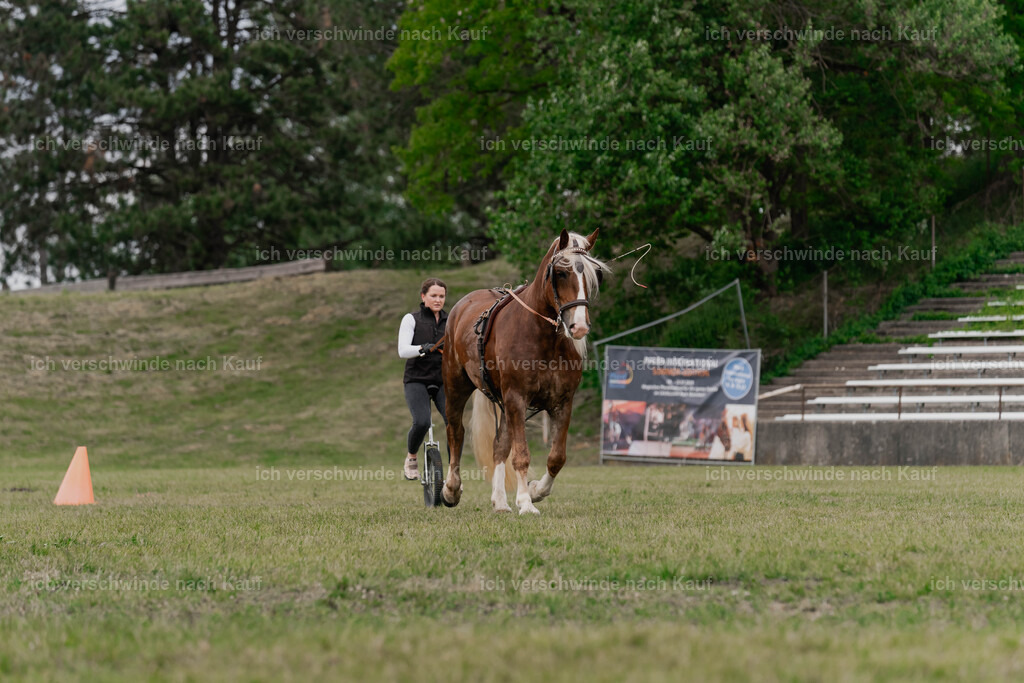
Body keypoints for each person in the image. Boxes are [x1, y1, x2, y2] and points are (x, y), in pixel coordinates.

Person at [397, 278, 448, 480]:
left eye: (441, 296)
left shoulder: (451, 320)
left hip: (443, 380)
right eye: (433, 296)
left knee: (454, 423)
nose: (438, 300)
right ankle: (411, 457)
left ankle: (454, 472)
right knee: (422, 422)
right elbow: (403, 350)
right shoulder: (411, 319)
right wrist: (421, 348)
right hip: (416, 379)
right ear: (423, 296)